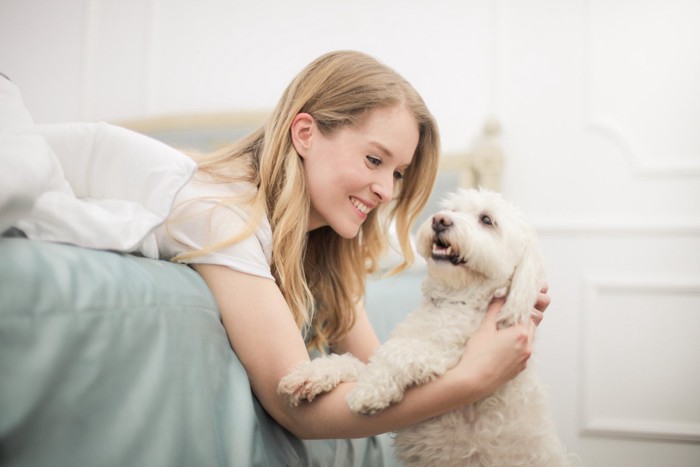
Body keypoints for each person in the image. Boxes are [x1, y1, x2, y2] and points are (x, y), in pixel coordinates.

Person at [155, 50, 550, 440]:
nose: (384, 191)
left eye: (397, 173)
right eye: (374, 160)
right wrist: (475, 376)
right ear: (305, 134)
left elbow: (375, 368)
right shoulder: (220, 213)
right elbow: (300, 412)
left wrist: (481, 324)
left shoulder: (328, 244)